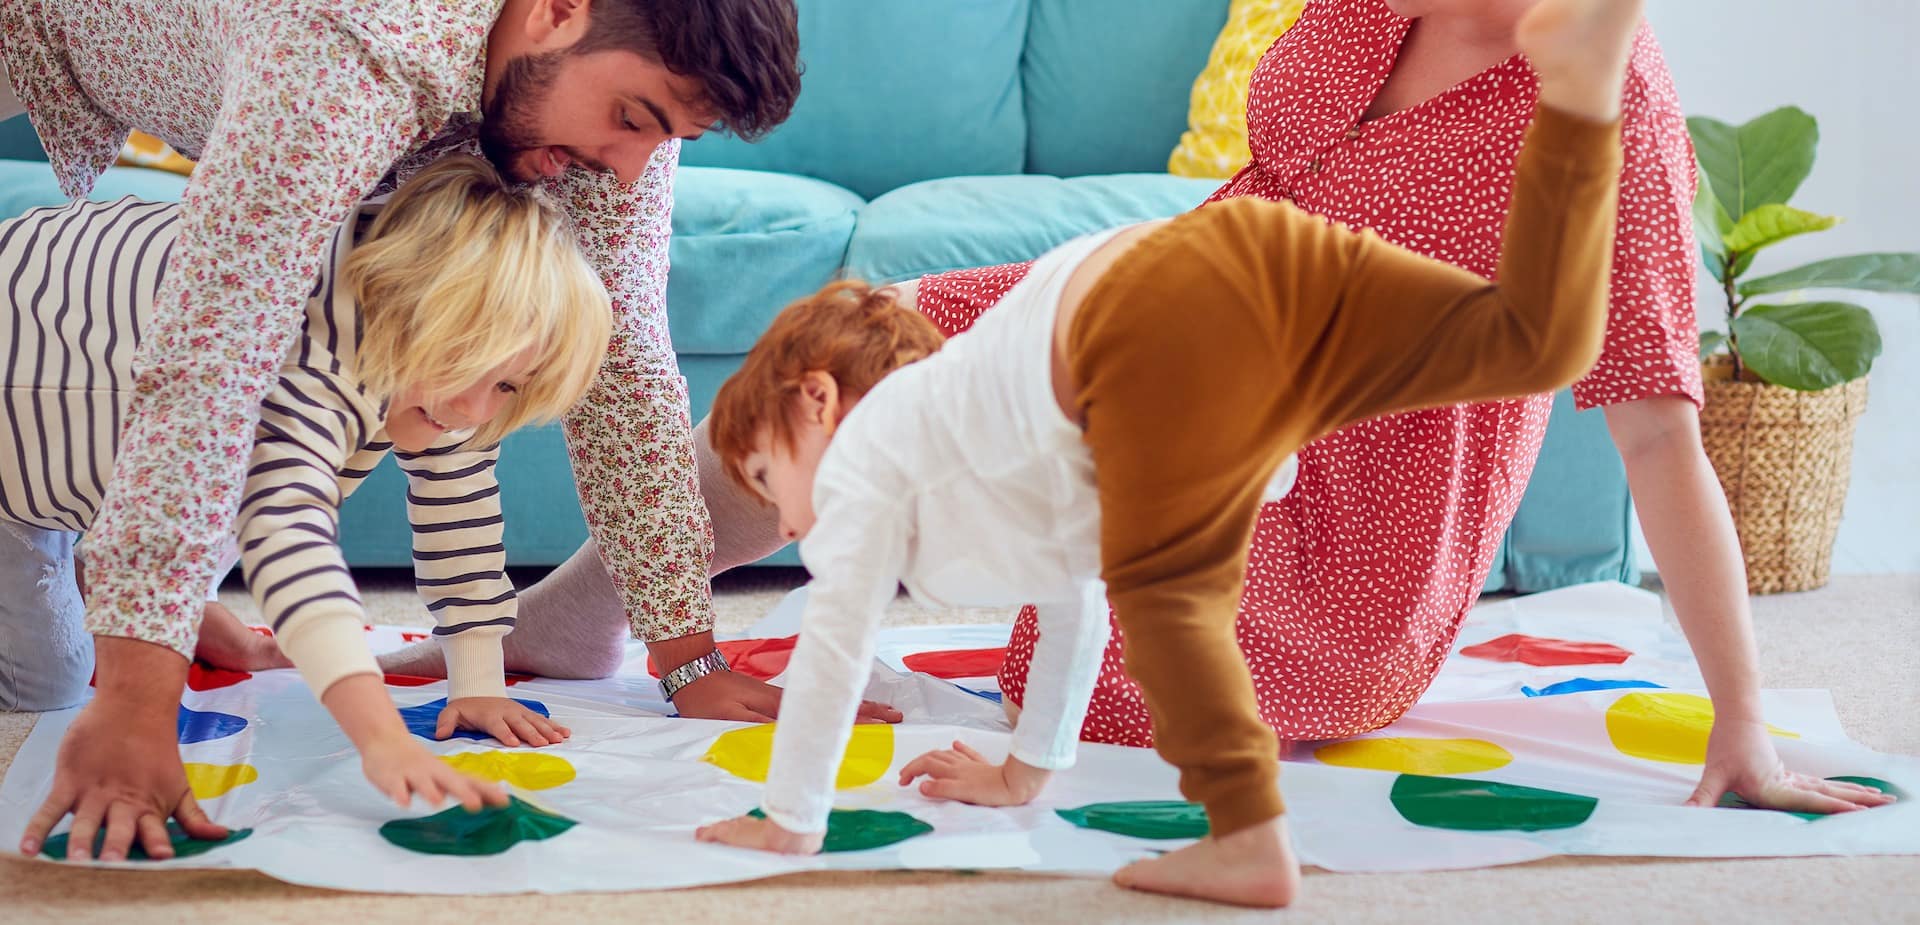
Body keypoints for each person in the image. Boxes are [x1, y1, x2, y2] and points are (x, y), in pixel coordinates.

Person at [686, 1, 1819, 907]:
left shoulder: (1632, 96)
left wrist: (1743, 720)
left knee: (1127, 624)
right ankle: (626, 606)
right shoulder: (1363, 11)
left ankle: (1247, 838)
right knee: (866, 321)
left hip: (1357, 474)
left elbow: (1661, 432)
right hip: (1215, 290)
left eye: (795, 508)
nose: (810, 535)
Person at [2, 0, 802, 862]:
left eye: (668, 138)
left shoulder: (599, 138)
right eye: (633, 120)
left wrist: (688, 660)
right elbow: (211, 365)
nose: (631, 173)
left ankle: (107, 565)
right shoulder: (342, 61)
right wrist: (133, 696)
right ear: (557, 14)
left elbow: (626, 363)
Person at [2, 156, 621, 856]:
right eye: (468, 368)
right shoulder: (308, 349)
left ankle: (139, 578)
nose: (473, 408)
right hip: (20, 454)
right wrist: (380, 736)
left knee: (247, 473)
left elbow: (461, 505)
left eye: (506, 386)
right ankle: (97, 566)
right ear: (406, 304)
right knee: (44, 684)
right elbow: (288, 535)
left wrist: (475, 679)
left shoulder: (428, 355)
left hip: (128, 448)